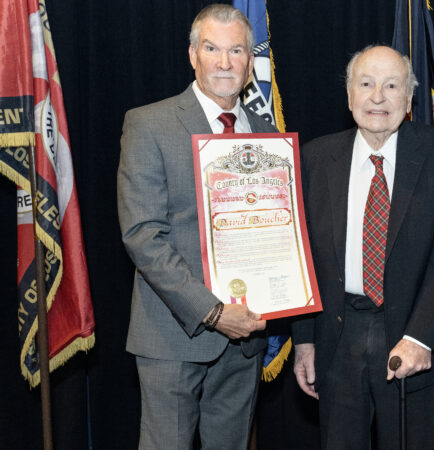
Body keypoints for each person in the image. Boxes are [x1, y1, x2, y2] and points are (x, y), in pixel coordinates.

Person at [292, 45, 434, 449]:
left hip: (410, 336)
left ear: (409, 98)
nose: (377, 97)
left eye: (392, 86)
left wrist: (421, 338)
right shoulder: (315, 158)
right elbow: (303, 256)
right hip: (336, 337)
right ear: (349, 95)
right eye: (366, 84)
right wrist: (303, 340)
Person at [117, 4, 275, 449]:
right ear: (193, 55)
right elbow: (142, 236)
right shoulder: (149, 123)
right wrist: (212, 311)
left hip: (244, 339)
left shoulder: (266, 134)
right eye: (212, 49)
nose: (225, 62)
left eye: (236, 50)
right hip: (172, 334)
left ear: (249, 61)